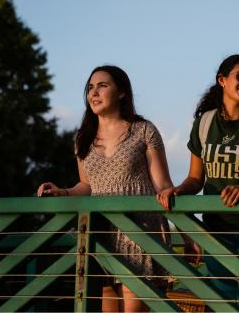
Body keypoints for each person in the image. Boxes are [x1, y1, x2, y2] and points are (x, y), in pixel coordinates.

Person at [157, 54, 239, 312]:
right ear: (222, 80)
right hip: (216, 229)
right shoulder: (205, 123)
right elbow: (196, 179)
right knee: (223, 305)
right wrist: (180, 190)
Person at [37, 65, 174, 313]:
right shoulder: (83, 138)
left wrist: (187, 232)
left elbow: (163, 186)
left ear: (121, 92)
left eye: (102, 86)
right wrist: (63, 192)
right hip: (100, 234)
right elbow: (87, 186)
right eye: (90, 87)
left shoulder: (144, 130)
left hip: (139, 231)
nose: (94, 93)